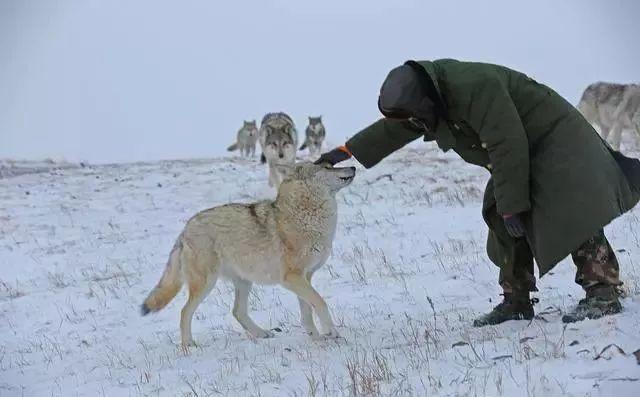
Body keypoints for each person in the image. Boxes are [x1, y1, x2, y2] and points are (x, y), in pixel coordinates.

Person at [316, 59, 640, 325]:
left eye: (416, 114)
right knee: (498, 211)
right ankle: (516, 300)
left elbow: (506, 142)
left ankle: (603, 292)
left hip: (553, 140)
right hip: (521, 149)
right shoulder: (430, 97)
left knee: (567, 204)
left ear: (424, 101)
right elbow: (396, 127)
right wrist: (345, 151)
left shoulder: (474, 86)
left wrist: (514, 205)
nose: (415, 120)